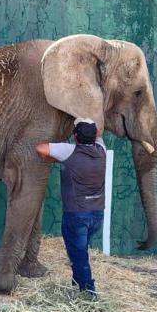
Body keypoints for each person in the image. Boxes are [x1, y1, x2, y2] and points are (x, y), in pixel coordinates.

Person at [35, 118, 106, 296]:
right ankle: (77, 285)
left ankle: (88, 294)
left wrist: (56, 159)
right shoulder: (101, 150)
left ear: (75, 136)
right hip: (97, 214)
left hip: (77, 215)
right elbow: (99, 134)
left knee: (79, 256)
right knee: (78, 253)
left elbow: (40, 148)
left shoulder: (69, 151)